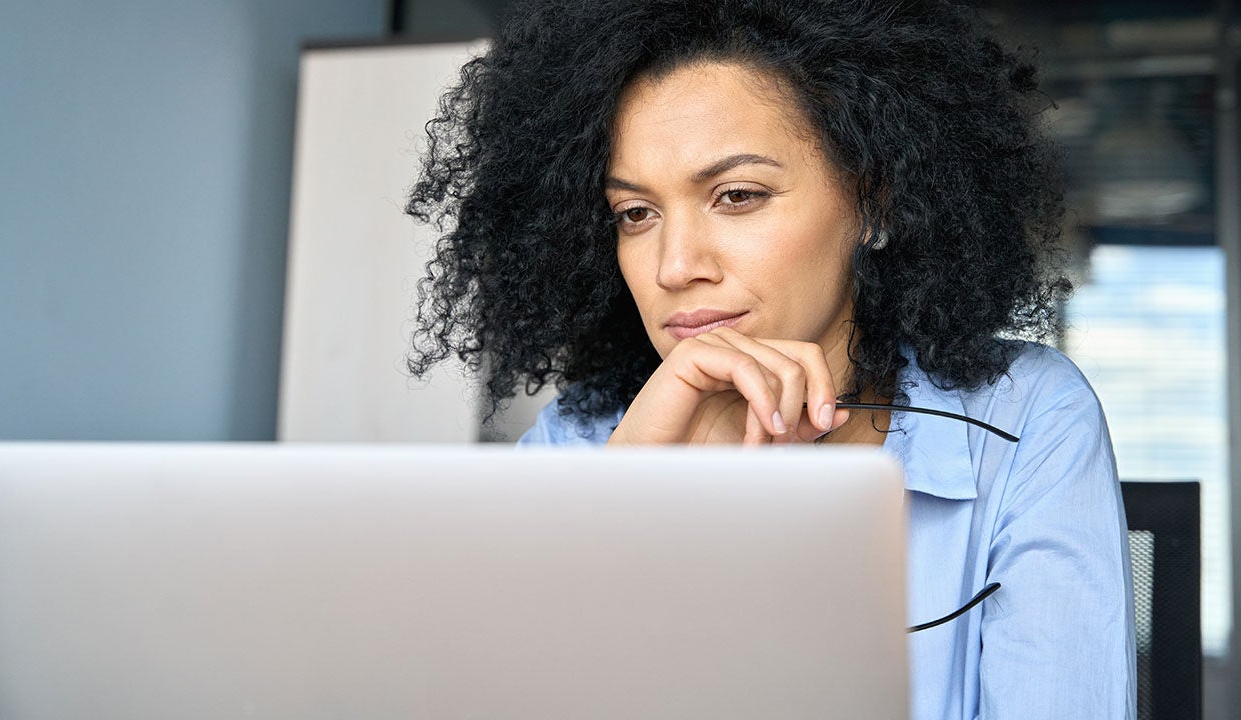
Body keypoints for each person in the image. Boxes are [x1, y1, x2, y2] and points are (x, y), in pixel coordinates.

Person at [408, 0, 1136, 717]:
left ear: (875, 203)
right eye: (636, 214)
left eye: (737, 195)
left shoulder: (1024, 419)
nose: (674, 265)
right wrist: (628, 509)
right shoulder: (580, 443)